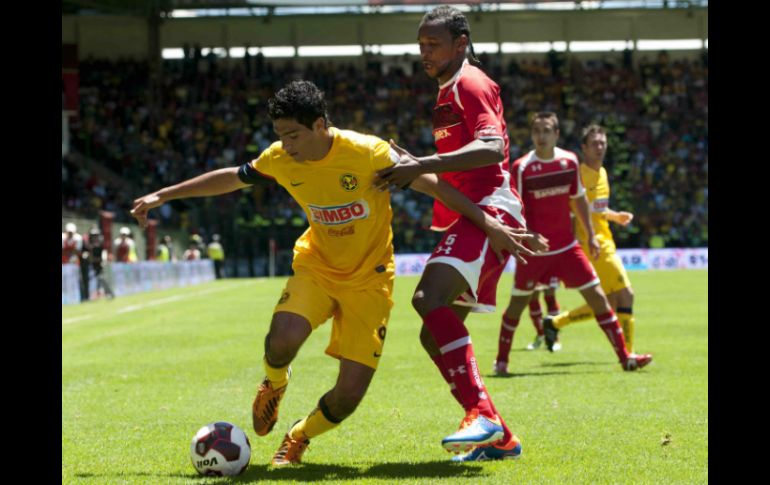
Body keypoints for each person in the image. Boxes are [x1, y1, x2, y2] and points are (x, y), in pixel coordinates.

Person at [130, 80, 536, 467]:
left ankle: (300, 435)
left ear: (321, 125)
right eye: (280, 135)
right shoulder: (279, 158)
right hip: (318, 267)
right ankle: (274, 382)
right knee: (282, 340)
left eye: (293, 135)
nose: (285, 146)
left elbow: (436, 188)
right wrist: (164, 194)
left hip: (370, 280)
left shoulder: (369, 153)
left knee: (347, 398)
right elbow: (232, 178)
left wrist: (489, 224)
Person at [373, 6, 547, 461]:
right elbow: (449, 175)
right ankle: (502, 438)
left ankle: (480, 415)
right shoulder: (447, 92)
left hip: (492, 211)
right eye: (421, 45)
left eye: (433, 44)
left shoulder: (471, 83)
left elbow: (491, 149)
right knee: (433, 335)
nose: (424, 53)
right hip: (475, 216)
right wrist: (412, 167)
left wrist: (424, 163)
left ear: (461, 44)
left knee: (426, 299)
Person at [496, 112, 652, 374]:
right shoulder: (521, 167)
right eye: (537, 131)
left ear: (556, 134)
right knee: (516, 305)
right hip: (535, 251)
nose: (541, 136)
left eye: (547, 130)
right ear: (532, 135)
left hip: (568, 248)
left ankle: (625, 358)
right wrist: (527, 236)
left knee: (600, 300)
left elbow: (579, 200)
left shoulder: (569, 162)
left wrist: (590, 235)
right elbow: (514, 209)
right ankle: (501, 362)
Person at [546, 124, 640, 352]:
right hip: (593, 245)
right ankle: (627, 354)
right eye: (595, 144)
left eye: (603, 143)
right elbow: (569, 210)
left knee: (608, 301)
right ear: (584, 148)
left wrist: (615, 216)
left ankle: (556, 322)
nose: (600, 147)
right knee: (626, 295)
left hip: (605, 240)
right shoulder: (577, 175)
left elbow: (595, 209)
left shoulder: (603, 173)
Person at [523, 277, 562, 351]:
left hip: (551, 266)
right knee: (533, 297)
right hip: (533, 267)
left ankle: (555, 338)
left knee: (550, 296)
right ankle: (541, 334)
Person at [85, 227, 114, 299]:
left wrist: (103, 260)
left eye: (96, 235)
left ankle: (109, 293)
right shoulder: (90, 245)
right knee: (97, 280)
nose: (94, 237)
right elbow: (90, 257)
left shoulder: (100, 243)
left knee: (102, 279)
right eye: (93, 236)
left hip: (100, 265)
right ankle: (97, 294)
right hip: (93, 265)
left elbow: (104, 252)